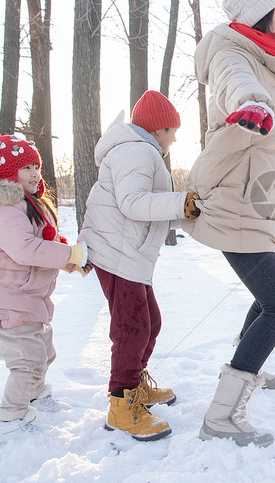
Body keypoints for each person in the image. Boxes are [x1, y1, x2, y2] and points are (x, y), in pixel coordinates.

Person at [182, 0, 275, 448]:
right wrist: (249, 105)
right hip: (234, 196)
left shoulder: (271, 65)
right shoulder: (232, 51)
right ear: (261, 14)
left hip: (261, 194)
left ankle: (250, 364)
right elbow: (236, 85)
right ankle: (221, 416)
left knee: (266, 300)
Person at [79, 90, 196, 442]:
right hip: (117, 252)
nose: (175, 137)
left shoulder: (142, 152)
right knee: (132, 328)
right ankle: (121, 404)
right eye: (172, 129)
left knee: (149, 322)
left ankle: (135, 385)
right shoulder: (137, 151)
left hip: (128, 252)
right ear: (158, 127)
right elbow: (133, 204)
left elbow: (150, 211)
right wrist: (179, 203)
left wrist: (187, 211)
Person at [0, 132, 88, 447]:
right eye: (26, 168)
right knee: (28, 362)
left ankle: (35, 398)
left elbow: (41, 243)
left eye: (36, 166)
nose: (35, 173)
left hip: (22, 296)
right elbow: (24, 249)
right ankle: (8, 421)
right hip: (3, 298)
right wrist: (69, 255)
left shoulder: (22, 203)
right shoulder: (2, 209)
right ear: (7, 174)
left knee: (44, 352)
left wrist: (68, 261)